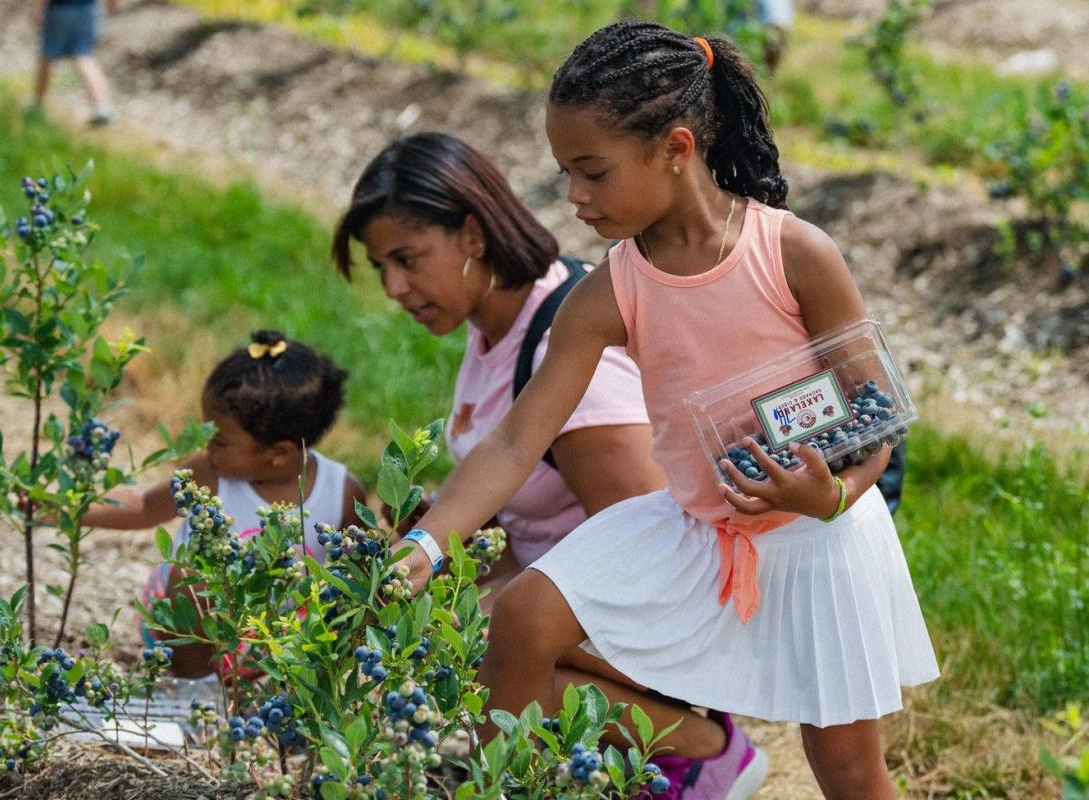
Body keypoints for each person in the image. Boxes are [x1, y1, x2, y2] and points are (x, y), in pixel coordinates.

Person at [395, 24, 938, 800]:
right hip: (696, 529)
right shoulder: (610, 291)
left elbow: (875, 415)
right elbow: (517, 440)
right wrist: (427, 541)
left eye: (592, 172)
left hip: (820, 540)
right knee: (522, 617)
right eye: (566, 174)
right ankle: (494, 787)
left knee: (849, 771)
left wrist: (831, 496)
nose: (574, 198)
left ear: (676, 148)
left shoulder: (794, 254)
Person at [332, 132, 766, 796]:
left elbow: (653, 540)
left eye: (408, 259)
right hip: (577, 608)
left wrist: (493, 608)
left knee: (468, 632)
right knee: (443, 611)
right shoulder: (502, 322)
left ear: (472, 235)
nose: (394, 286)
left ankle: (703, 750)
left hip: (665, 610)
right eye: (381, 267)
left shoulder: (562, 352)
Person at [82, 331, 366, 678]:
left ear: (279, 453)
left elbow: (360, 579)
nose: (205, 445)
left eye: (218, 439)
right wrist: (71, 510)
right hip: (190, 627)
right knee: (194, 575)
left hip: (277, 638)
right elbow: (145, 506)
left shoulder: (340, 493)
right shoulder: (210, 474)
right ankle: (194, 687)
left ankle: (266, 689)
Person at [30, 0, 119, 126]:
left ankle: (37, 105)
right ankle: (102, 107)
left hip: (60, 9)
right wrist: (112, 4)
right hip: (88, 8)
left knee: (47, 57)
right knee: (83, 57)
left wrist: (39, 10)